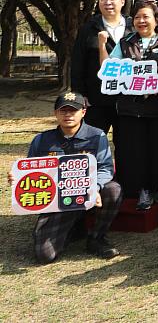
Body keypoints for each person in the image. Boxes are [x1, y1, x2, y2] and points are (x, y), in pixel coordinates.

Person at [8, 92, 122, 263]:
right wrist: (18, 179)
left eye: (73, 110)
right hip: (58, 202)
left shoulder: (97, 135)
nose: (68, 115)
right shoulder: (41, 140)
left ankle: (97, 238)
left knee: (113, 189)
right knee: (44, 255)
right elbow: (31, 174)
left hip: (88, 195)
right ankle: (72, 230)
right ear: (55, 113)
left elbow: (105, 168)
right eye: (63, 110)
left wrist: (95, 187)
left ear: (83, 112)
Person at [100, 0, 158, 209]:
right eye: (137, 17)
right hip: (129, 108)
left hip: (157, 108)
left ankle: (155, 186)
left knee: (155, 149)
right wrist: (102, 46)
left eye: (146, 17)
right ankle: (141, 190)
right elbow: (109, 69)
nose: (141, 21)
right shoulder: (125, 43)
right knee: (134, 151)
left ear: (156, 20)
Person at [70, 0, 132, 135]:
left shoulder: (133, 27)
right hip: (96, 99)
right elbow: (78, 63)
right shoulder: (88, 28)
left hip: (128, 98)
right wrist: (80, 94)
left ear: (122, 1)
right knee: (92, 141)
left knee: (126, 143)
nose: (108, 3)